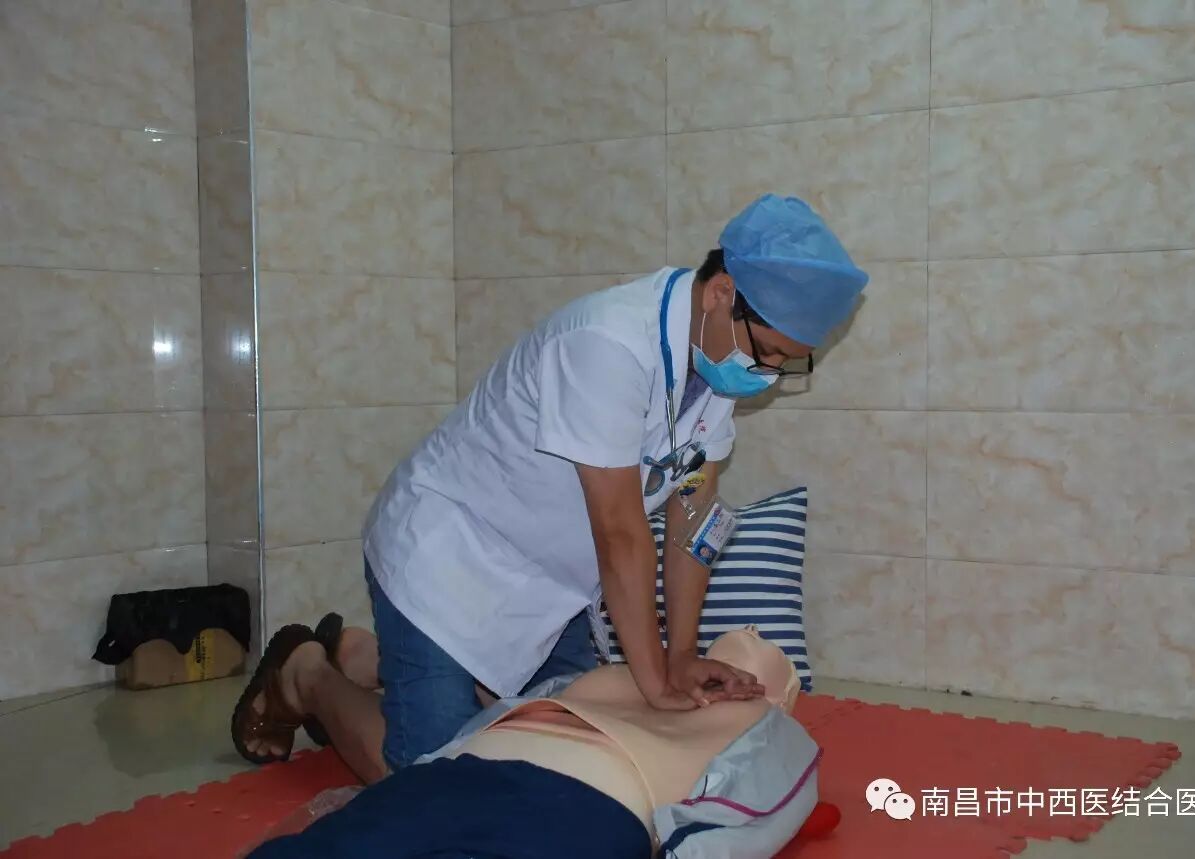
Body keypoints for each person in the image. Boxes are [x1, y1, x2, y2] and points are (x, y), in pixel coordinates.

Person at [231, 194, 868, 777]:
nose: (769, 375)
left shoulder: (715, 364)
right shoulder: (608, 344)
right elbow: (621, 533)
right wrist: (656, 682)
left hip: (547, 586)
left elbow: (693, 521)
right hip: (449, 551)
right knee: (432, 782)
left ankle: (366, 657)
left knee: (564, 751)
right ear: (721, 294)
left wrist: (681, 657)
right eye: (770, 354)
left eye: (788, 362)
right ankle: (305, 674)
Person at [247, 627, 818, 859]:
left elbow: (506, 710)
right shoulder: (775, 729)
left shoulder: (624, 673)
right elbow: (739, 825)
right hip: (588, 808)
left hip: (465, 769)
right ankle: (333, 669)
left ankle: (346, 663)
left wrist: (433, 765)